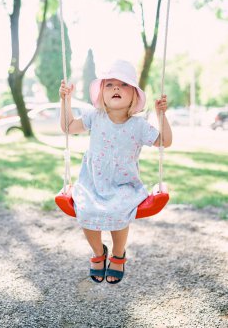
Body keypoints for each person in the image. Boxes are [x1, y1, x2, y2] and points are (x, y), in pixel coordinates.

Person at [59, 59, 172, 284]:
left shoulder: (138, 126)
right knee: (86, 212)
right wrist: (66, 101)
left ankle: (118, 253)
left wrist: (161, 116)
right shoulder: (94, 117)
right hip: (92, 183)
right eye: (109, 85)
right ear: (102, 93)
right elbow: (68, 127)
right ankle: (98, 252)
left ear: (134, 96)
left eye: (123, 84)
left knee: (120, 213)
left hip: (124, 185)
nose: (116, 88)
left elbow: (164, 142)